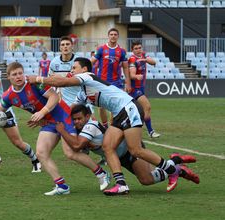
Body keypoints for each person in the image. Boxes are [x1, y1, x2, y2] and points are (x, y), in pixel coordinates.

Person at [28, 57, 186, 195]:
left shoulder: (87, 76)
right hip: (119, 113)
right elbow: (69, 111)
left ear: (84, 69)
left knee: (136, 149)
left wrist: (39, 79)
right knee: (108, 147)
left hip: (129, 108)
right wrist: (46, 118)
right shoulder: (83, 92)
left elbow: (63, 82)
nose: (71, 70)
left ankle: (172, 170)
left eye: (74, 67)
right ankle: (121, 185)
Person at [0, 62, 109, 195]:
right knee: (41, 153)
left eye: (20, 73)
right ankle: (61, 186)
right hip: (48, 122)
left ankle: (101, 173)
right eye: (14, 74)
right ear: (8, 77)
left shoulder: (34, 82)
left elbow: (54, 97)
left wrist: (42, 112)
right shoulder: (8, 95)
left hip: (63, 116)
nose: (18, 76)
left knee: (70, 153)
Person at [56, 104, 199, 191]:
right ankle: (176, 165)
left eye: (79, 118)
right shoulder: (81, 131)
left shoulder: (91, 125)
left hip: (129, 149)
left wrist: (62, 131)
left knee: (146, 178)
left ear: (87, 116)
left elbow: (76, 146)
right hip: (120, 157)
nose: (77, 122)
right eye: (74, 120)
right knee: (147, 180)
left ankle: (176, 165)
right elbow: (82, 150)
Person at [91, 28, 131, 128]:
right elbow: (92, 61)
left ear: (118, 37)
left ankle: (112, 125)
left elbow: (125, 67)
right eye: (111, 34)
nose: (113, 36)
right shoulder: (101, 49)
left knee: (115, 104)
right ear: (108, 36)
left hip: (116, 81)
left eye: (115, 34)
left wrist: (128, 82)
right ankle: (105, 126)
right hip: (102, 81)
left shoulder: (121, 51)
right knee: (101, 105)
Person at [129, 41, 160, 138]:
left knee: (138, 111)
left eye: (139, 48)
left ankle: (133, 129)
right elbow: (131, 74)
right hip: (134, 89)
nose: (138, 50)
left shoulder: (144, 56)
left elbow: (154, 62)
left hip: (141, 88)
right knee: (147, 107)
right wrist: (136, 76)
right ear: (132, 50)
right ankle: (150, 131)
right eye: (136, 48)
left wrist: (145, 59)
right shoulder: (132, 60)